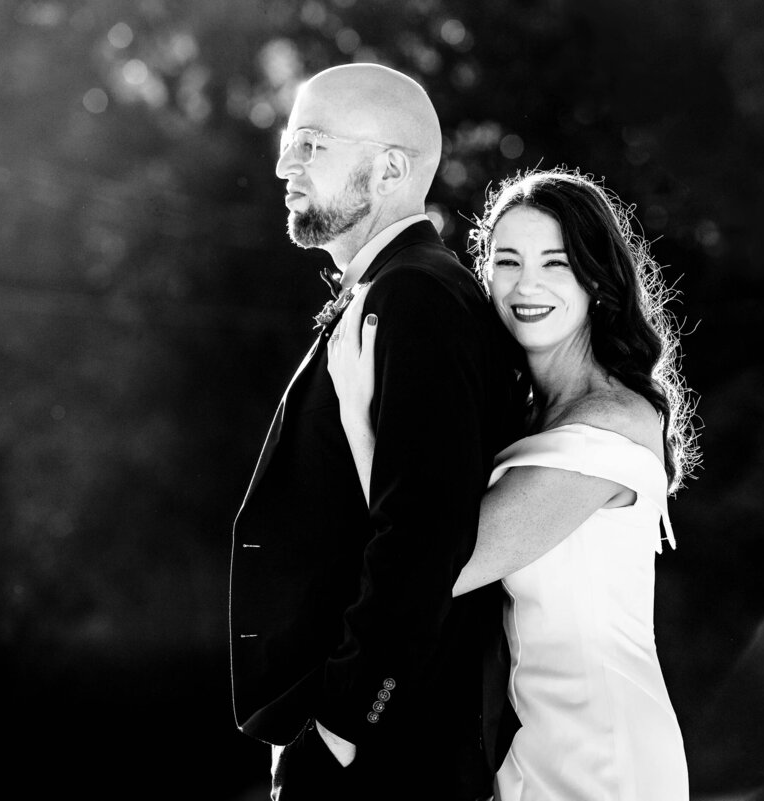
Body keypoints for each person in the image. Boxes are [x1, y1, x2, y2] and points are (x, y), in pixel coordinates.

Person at [328, 169, 698, 800]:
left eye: (556, 262)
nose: (527, 284)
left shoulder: (611, 427)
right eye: (507, 261)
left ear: (595, 281)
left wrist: (358, 418)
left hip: (604, 756)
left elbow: (439, 564)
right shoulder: (528, 417)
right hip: (529, 751)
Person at [229, 63, 523, 800]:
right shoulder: (386, 291)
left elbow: (423, 532)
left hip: (391, 753)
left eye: (311, 145)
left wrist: (346, 721)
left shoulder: (417, 297)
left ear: (390, 167)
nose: (282, 165)